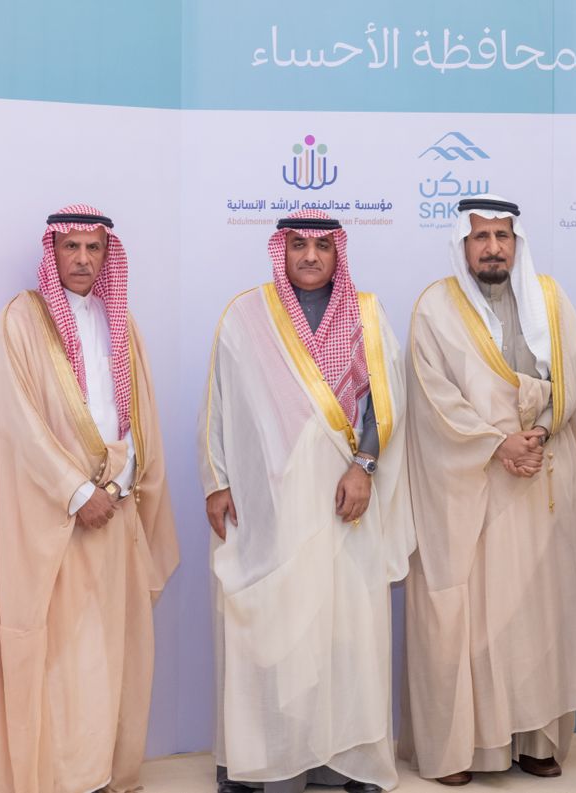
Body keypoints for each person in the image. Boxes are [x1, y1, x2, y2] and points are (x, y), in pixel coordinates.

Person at [201, 209, 412, 793]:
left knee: (346, 629)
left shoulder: (366, 313)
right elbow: (218, 403)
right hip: (266, 500)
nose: (311, 256)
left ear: (338, 252)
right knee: (272, 627)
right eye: (298, 245)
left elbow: (384, 404)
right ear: (282, 250)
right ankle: (259, 761)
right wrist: (217, 480)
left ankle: (348, 762)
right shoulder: (245, 315)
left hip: (344, 497)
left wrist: (363, 468)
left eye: (322, 246)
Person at [401, 195, 576, 785]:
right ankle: (470, 749)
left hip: (544, 474)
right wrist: (497, 444)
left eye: (503, 236)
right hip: (474, 486)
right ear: (462, 245)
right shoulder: (434, 309)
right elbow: (433, 397)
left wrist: (538, 430)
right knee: (478, 621)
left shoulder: (551, 298)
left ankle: (537, 739)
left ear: (517, 243)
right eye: (481, 237)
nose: (493, 248)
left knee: (541, 614)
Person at [0, 204, 179, 793]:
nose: (83, 259)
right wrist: (78, 493)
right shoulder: (20, 321)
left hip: (116, 508)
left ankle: (103, 775)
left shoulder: (121, 322)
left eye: (94, 248)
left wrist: (118, 484)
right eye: (71, 247)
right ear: (53, 251)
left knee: (110, 649)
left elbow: (139, 417)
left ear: (107, 255)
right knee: (59, 656)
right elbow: (18, 423)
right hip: (53, 519)